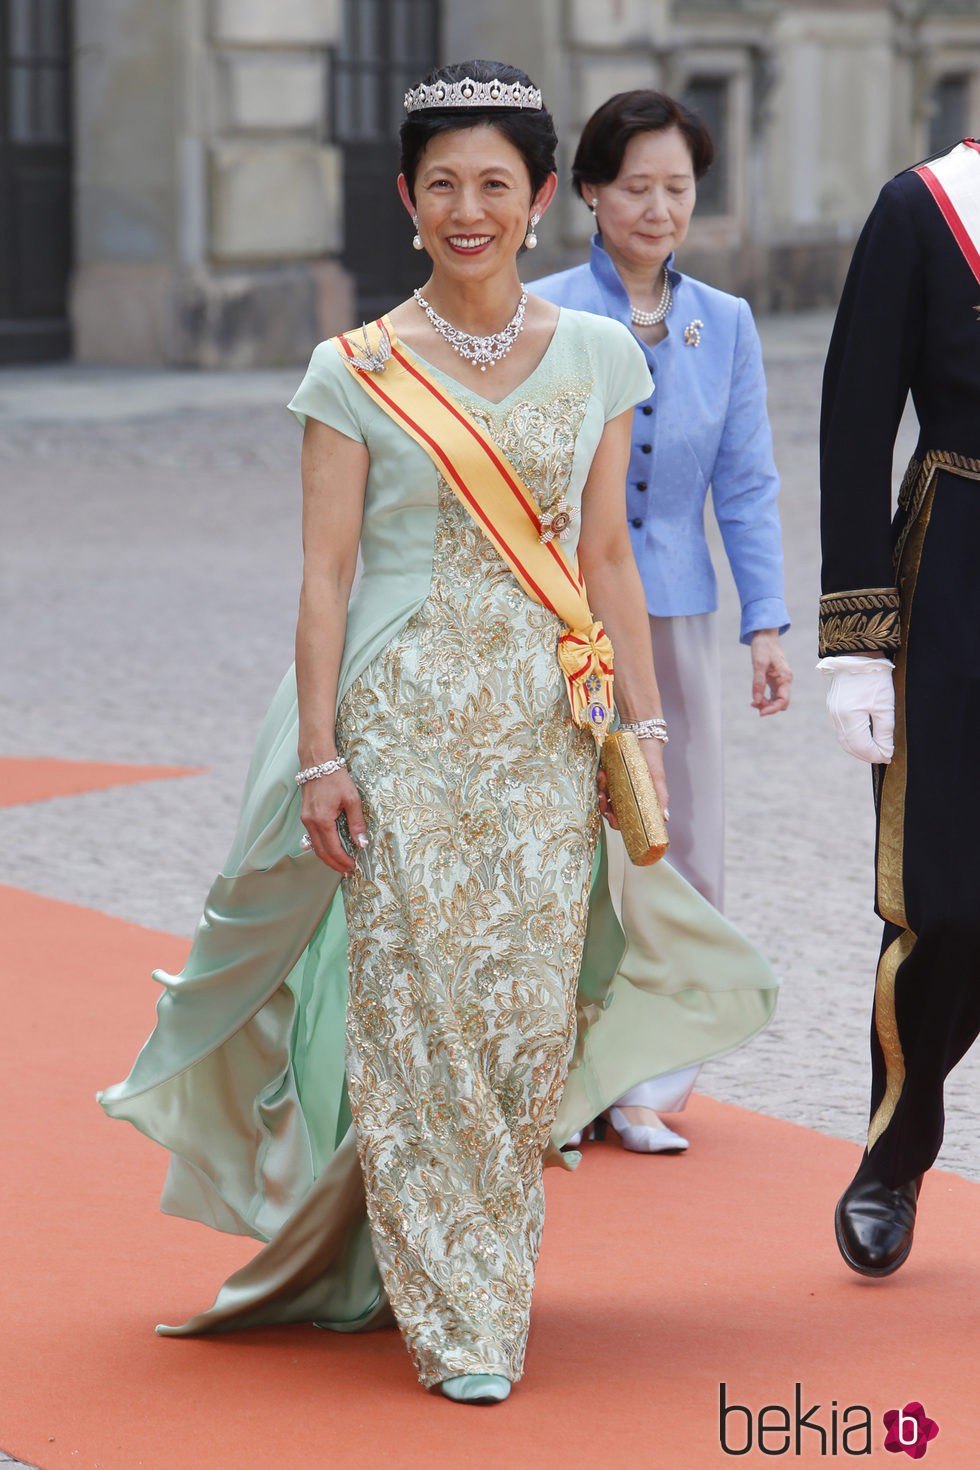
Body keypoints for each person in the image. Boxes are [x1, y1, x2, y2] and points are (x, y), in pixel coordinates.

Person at [98, 60, 777, 1403]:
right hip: (401, 713)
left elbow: (605, 559)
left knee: (521, 1012)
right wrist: (321, 750)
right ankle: (461, 1303)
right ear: (407, 201)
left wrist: (638, 728)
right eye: (444, 185)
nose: (470, 208)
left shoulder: (596, 353)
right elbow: (326, 575)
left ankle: (473, 1249)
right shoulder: (351, 367)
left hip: (538, 718)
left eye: (497, 185)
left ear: (537, 205)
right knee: (419, 1008)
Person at [532, 90, 791, 1152]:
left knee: (676, 839)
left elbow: (746, 485)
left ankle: (645, 1078)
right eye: (633, 185)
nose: (654, 207)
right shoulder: (540, 308)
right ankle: (557, 1075)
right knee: (562, 843)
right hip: (555, 618)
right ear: (588, 191)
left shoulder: (721, 323)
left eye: (675, 188)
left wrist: (765, 622)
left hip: (677, 619)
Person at [818, 136, 980, 1277]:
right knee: (941, 897)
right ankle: (894, 1147)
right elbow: (851, 419)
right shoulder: (922, 206)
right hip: (955, 570)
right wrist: (855, 643)